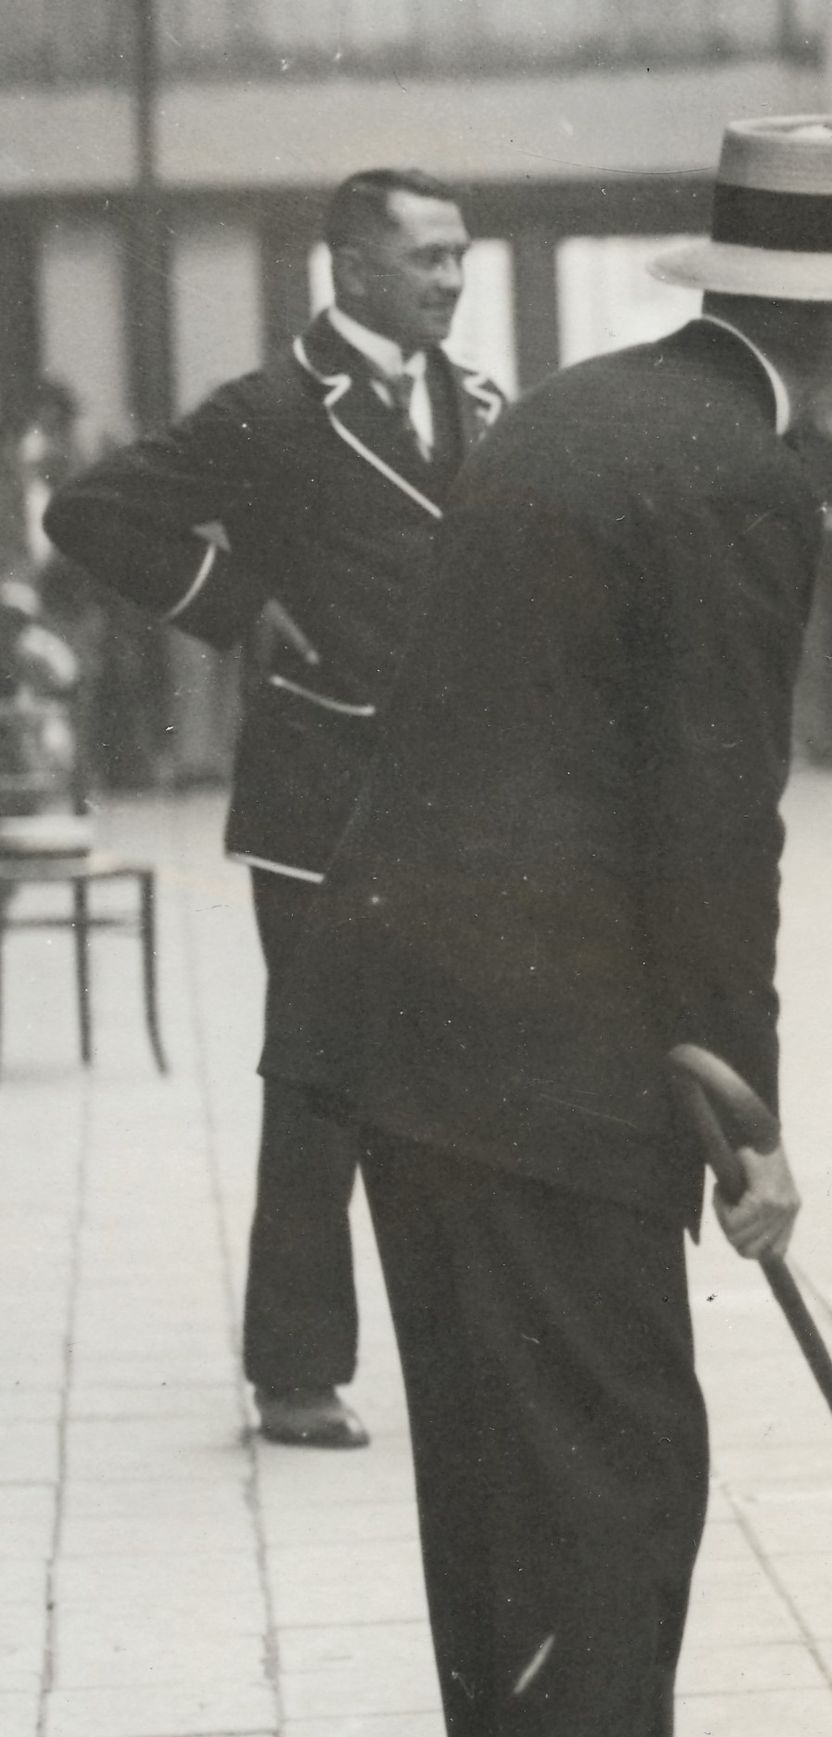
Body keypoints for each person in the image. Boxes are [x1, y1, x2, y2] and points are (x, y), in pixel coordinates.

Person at [256, 115, 832, 1737]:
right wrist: (749, 1122)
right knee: (616, 1458)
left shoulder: (580, 410)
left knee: (499, 1447)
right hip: (537, 1049)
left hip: (396, 1013)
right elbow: (713, 829)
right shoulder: (740, 479)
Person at [43, 168, 507, 1453]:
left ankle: (470, 1356)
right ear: (352, 272)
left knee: (467, 1082)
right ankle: (296, 1372)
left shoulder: (480, 404)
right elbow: (89, 515)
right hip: (319, 804)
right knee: (320, 1089)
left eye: (462, 256)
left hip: (456, 806)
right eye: (429, 260)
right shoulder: (273, 412)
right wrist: (238, 606)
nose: (454, 281)